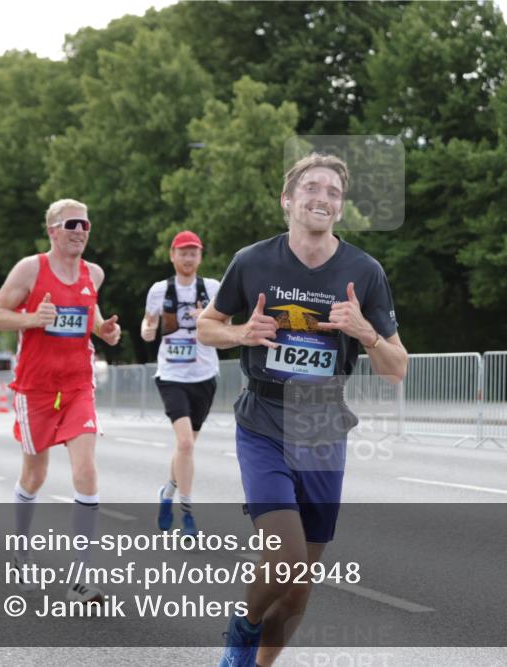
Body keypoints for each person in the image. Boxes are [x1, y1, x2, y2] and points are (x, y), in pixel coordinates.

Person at [198, 153, 408, 667]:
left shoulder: (365, 271)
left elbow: (397, 368)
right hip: (263, 420)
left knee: (297, 589)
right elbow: (206, 327)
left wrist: (365, 332)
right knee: (286, 557)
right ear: (287, 200)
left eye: (333, 192)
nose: (323, 198)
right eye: (312, 187)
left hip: (323, 425)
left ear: (341, 207)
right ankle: (243, 629)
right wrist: (241, 334)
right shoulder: (252, 261)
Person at [0, 198, 121, 604]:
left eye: (85, 224)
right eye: (72, 224)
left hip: (78, 384)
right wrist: (30, 319)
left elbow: (89, 314)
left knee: (86, 471)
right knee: (35, 474)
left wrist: (104, 330)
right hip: (36, 388)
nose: (80, 231)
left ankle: (81, 576)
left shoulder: (93, 273)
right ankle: (21, 549)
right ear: (52, 231)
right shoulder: (30, 269)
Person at [141, 230, 220, 537]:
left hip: (204, 375)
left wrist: (207, 318)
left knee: (186, 447)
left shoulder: (212, 288)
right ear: (172, 256)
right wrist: (147, 330)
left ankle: (167, 492)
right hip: (171, 375)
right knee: (185, 443)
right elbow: (148, 321)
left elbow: (225, 325)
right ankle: (187, 515)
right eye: (183, 252)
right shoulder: (159, 290)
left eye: (193, 253)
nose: (188, 258)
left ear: (200, 257)